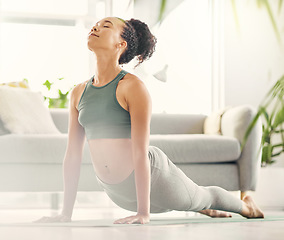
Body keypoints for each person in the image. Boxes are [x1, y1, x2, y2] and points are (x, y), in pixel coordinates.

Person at [35, 17, 264, 224]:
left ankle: (247, 207)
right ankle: (198, 204)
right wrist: (66, 213)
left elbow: (140, 152)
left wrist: (143, 213)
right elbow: (72, 155)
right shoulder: (78, 92)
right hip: (118, 192)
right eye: (96, 23)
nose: (96, 26)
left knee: (204, 196)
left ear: (120, 45)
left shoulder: (133, 87)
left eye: (106, 26)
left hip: (155, 177)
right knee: (194, 199)